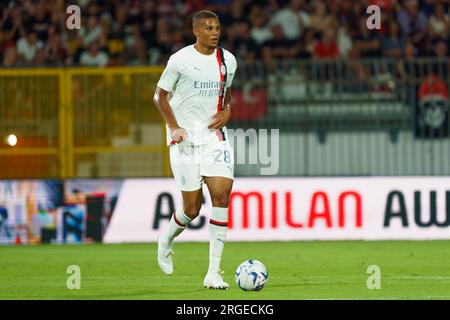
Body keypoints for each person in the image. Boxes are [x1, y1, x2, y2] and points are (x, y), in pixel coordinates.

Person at [153, 10, 237, 290]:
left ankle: (214, 273)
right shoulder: (180, 60)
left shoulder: (228, 61)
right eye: (209, 28)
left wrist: (228, 111)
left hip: (214, 138)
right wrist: (174, 126)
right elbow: (159, 96)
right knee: (192, 208)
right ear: (196, 31)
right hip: (185, 140)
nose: (215, 32)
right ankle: (166, 239)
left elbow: (226, 96)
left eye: (218, 28)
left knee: (222, 196)